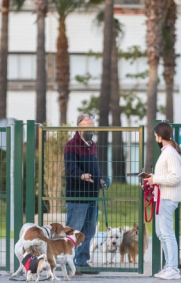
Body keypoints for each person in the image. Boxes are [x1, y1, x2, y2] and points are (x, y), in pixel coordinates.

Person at [64, 114, 106, 274]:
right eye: (87, 126)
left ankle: (82, 262)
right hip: (77, 196)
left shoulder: (93, 145)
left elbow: (95, 167)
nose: (91, 130)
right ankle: (69, 263)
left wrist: (99, 180)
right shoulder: (71, 145)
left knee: (89, 231)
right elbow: (70, 168)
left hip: (92, 195)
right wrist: (82, 175)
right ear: (79, 128)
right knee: (74, 231)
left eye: (92, 126)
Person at [144, 121, 181, 280]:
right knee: (161, 233)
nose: (155, 137)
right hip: (162, 198)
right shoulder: (167, 152)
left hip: (167, 198)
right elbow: (167, 176)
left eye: (155, 135)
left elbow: (176, 177)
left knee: (166, 234)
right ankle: (169, 266)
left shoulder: (170, 153)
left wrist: (155, 179)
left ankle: (173, 268)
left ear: (160, 137)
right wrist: (152, 180)